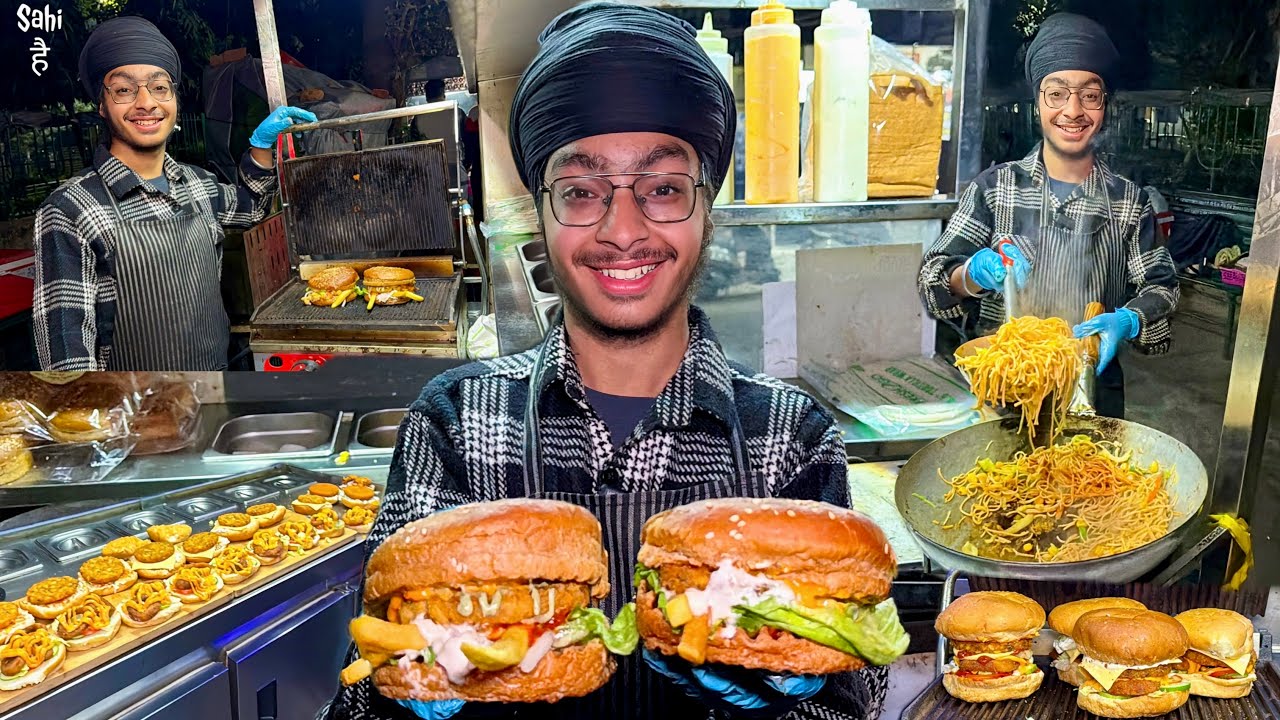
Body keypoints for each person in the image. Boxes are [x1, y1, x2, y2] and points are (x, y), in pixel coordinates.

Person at [323, 4, 887, 720]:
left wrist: (785, 701)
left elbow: (854, 694)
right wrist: (417, 688)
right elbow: (363, 695)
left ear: (707, 208)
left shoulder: (793, 435)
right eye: (583, 192)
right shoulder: (456, 422)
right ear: (541, 212)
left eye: (662, 188)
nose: (623, 231)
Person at [917, 13, 1179, 418]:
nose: (1073, 110)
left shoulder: (1129, 202)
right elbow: (932, 281)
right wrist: (969, 274)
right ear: (1037, 102)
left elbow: (1162, 289)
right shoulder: (995, 189)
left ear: (1104, 106)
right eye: (1056, 93)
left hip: (1093, 398)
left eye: (1090, 95)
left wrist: (1128, 320)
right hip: (1004, 399)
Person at [33, 16, 316, 371]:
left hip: (216, 393)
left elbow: (249, 208)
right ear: (102, 105)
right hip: (135, 416)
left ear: (174, 100)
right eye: (123, 90)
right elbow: (67, 360)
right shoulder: (70, 210)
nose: (146, 103)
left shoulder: (198, 184)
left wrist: (260, 147)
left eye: (160, 87)